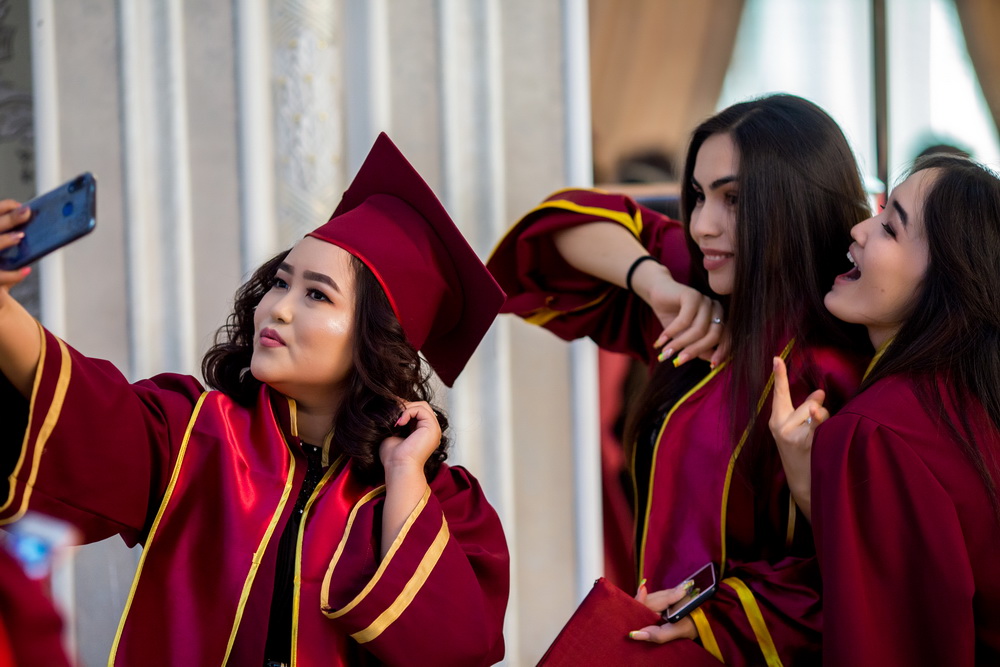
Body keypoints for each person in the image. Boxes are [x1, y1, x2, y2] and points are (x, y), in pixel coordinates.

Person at [0, 133, 510, 666]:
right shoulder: (194, 435)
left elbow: (450, 649)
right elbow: (85, 413)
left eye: (317, 294)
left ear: (376, 338)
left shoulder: (449, 507)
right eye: (281, 283)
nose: (278, 308)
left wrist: (404, 472)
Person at [487, 94, 872, 665]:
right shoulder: (699, 299)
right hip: (659, 637)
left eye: (733, 199)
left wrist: (706, 622)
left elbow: (852, 574)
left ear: (794, 203)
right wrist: (652, 281)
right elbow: (556, 232)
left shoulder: (832, 371)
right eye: (698, 195)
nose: (701, 224)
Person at [769, 154, 1000, 665]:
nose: (858, 229)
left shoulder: (878, 430)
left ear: (948, 281)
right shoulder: (970, 397)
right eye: (878, 213)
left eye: (890, 228)